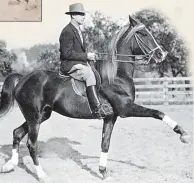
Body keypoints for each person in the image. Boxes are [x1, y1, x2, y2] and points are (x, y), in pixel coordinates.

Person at [59, 3, 106, 119]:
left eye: (84, 14)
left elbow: (79, 51)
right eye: (81, 14)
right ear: (73, 16)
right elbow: (66, 54)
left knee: (97, 69)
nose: (84, 17)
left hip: (78, 62)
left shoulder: (78, 30)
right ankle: (96, 108)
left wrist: (91, 57)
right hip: (69, 65)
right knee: (89, 74)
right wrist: (86, 56)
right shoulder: (67, 31)